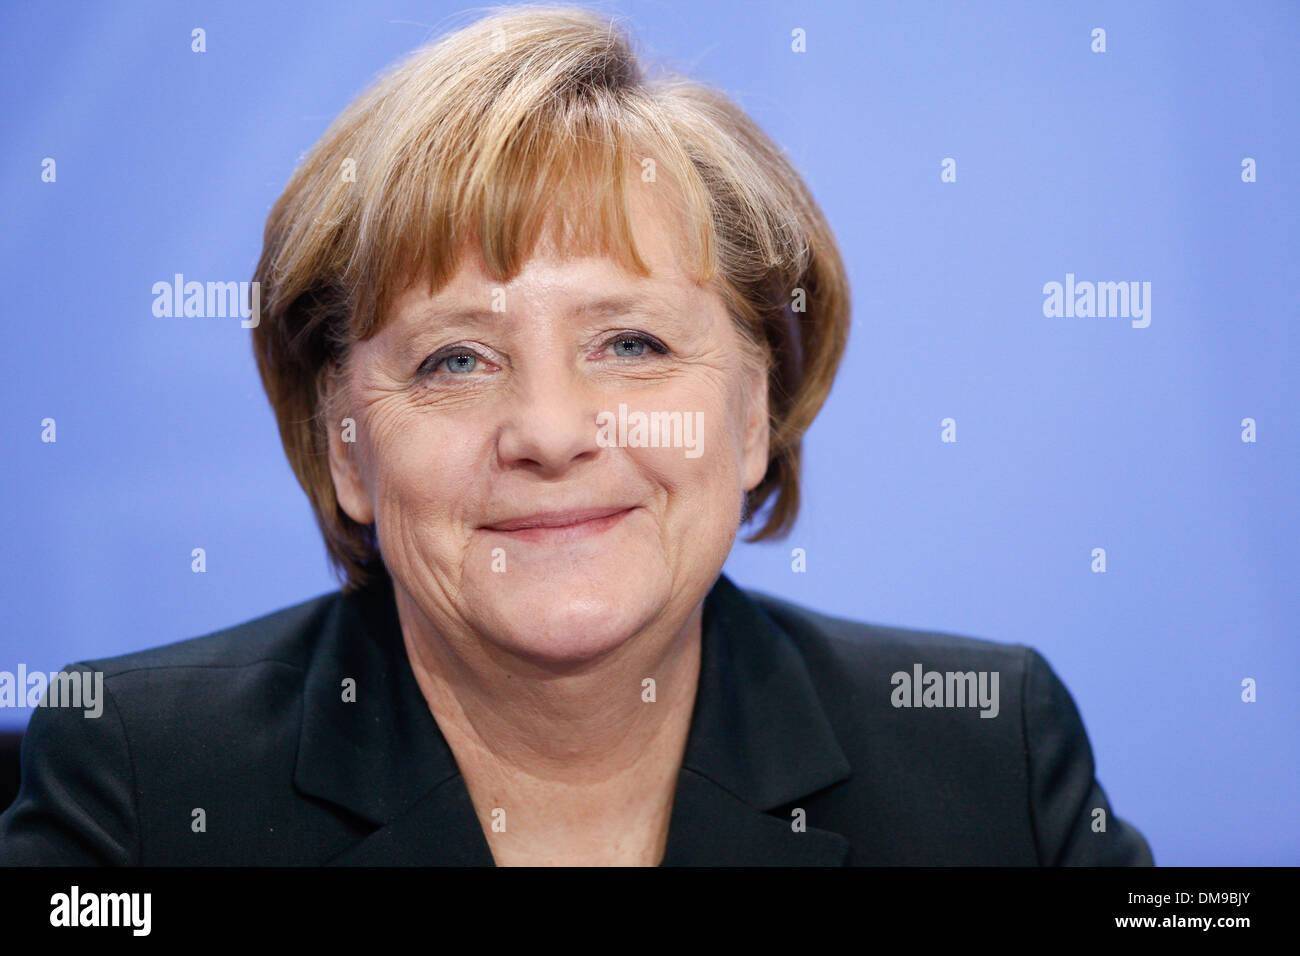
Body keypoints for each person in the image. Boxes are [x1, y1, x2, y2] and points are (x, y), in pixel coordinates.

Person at [0, 4, 1151, 866]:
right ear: (346, 444)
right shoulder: (144, 780)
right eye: (456, 358)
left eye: (632, 344)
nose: (550, 431)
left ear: (753, 411)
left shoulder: (984, 758)